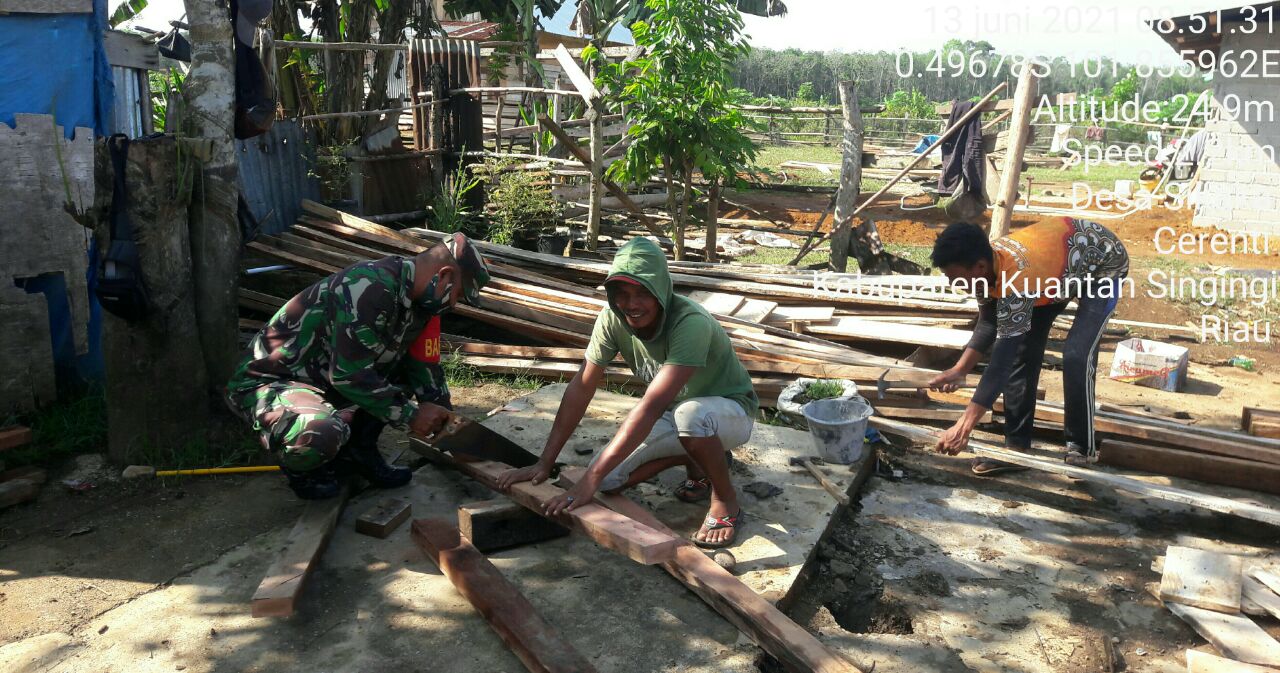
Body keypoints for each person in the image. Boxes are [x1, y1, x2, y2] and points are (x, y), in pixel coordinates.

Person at [496, 238, 757, 548]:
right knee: (607, 479)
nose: (631, 304)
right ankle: (699, 459)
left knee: (691, 416)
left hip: (729, 414)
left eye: (643, 292)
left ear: (661, 289)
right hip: (675, 415)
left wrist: (588, 479)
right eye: (621, 293)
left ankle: (725, 500)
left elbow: (650, 407)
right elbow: (582, 387)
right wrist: (545, 463)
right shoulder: (612, 319)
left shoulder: (690, 323)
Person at [226, 233, 490, 499]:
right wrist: (412, 416)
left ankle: (359, 450)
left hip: (324, 380)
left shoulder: (423, 307)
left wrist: (451, 429)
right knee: (322, 433)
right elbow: (348, 375)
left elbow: (426, 371)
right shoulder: (370, 287)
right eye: (458, 295)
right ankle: (306, 469)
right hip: (272, 383)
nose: (454, 304)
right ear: (444, 276)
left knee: (404, 374)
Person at [927, 218, 1129, 473]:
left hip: (1103, 263)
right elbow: (989, 323)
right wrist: (960, 370)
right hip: (1054, 271)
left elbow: (1000, 363)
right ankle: (1017, 448)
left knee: (1077, 355)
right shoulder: (984, 271)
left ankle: (1080, 446)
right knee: (1023, 352)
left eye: (954, 277)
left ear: (979, 267)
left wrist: (963, 427)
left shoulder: (1015, 278)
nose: (952, 284)